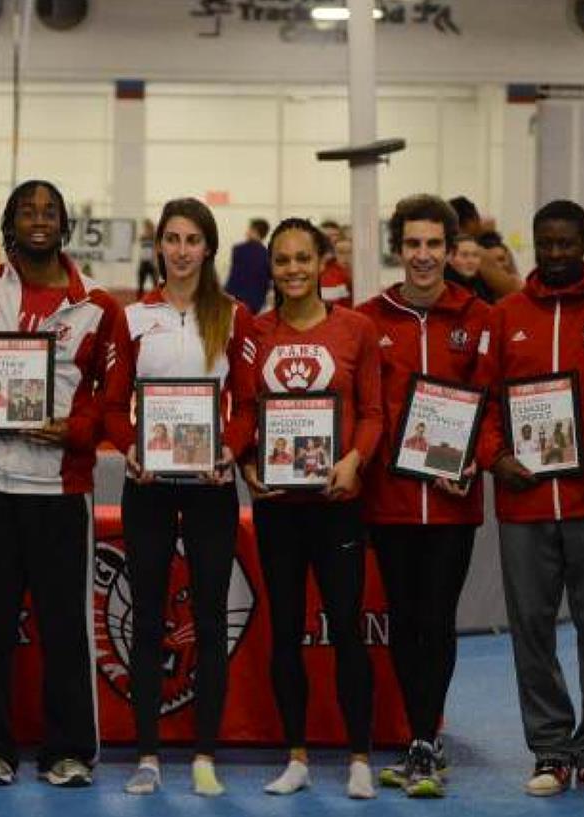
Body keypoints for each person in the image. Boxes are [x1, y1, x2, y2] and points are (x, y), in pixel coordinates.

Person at [0, 180, 120, 788]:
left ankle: (68, 749)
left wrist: (76, 429)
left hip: (59, 489)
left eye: (50, 210)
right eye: (27, 209)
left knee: (63, 627)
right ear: (9, 221)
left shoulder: (98, 305)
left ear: (64, 224)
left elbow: (113, 397)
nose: (39, 218)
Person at [474, 199, 584, 798]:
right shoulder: (505, 315)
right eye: (547, 244)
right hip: (525, 506)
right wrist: (496, 457)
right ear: (535, 244)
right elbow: (486, 401)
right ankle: (549, 748)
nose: (557, 254)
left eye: (568, 243)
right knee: (532, 631)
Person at [101, 198, 256, 797]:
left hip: (212, 488)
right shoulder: (133, 317)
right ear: (159, 246)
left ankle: (205, 755)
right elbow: (114, 404)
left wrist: (229, 451)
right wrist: (129, 450)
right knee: (145, 618)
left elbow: (245, 405)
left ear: (209, 248)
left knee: (211, 619)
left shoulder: (234, 317)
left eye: (193, 239)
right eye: (172, 238)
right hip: (149, 486)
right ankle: (147, 754)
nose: (182, 249)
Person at [241, 217, 383, 799]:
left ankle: (358, 758)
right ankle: (296, 755)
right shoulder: (253, 332)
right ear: (270, 267)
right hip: (279, 508)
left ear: (322, 262)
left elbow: (374, 413)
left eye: (304, 258)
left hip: (337, 504)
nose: (293, 269)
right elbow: (245, 414)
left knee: (348, 628)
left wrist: (354, 461)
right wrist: (249, 463)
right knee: (284, 635)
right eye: (283, 260)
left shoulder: (357, 329)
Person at [357, 194, 493, 798]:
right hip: (388, 500)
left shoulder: (478, 318)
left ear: (450, 248)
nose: (423, 256)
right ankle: (418, 737)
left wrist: (473, 460)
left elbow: (490, 406)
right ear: (398, 247)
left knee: (437, 621)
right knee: (404, 620)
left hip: (452, 501)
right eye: (412, 244)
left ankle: (424, 739)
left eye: (434, 244)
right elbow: (364, 409)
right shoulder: (369, 318)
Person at [225, 218, 272, 314]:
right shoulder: (267, 255)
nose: (247, 232)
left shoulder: (239, 250)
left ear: (254, 231)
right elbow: (268, 281)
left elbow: (234, 277)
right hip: (257, 303)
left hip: (236, 300)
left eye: (249, 229)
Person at [318, 220, 353, 307]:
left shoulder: (344, 271)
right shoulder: (311, 269)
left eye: (334, 236)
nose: (329, 241)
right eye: (325, 237)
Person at [136, 218, 159, 294]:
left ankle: (156, 299)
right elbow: (141, 246)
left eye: (146, 226)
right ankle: (139, 299)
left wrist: (156, 262)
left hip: (151, 262)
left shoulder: (154, 236)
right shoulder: (143, 236)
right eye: (144, 227)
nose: (145, 228)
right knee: (141, 283)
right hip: (143, 261)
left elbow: (156, 249)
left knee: (155, 283)